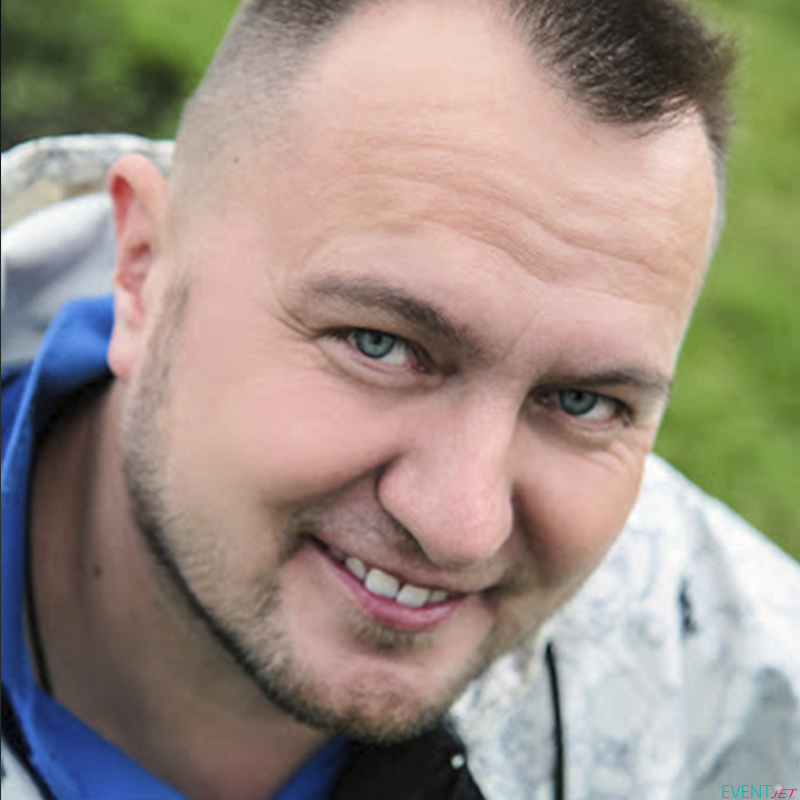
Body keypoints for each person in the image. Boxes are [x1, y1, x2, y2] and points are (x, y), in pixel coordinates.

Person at [2, 0, 798, 798]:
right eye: (380, 345)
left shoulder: (724, 678)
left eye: (584, 402)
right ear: (144, 268)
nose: (462, 527)